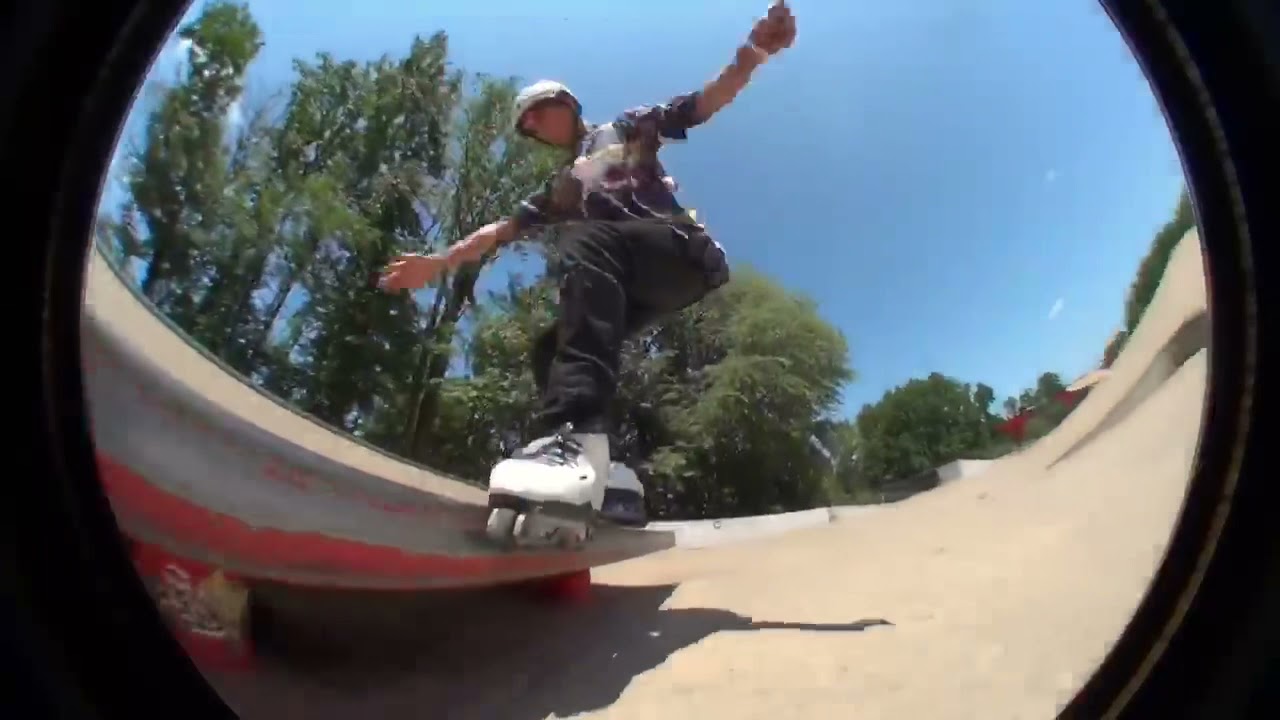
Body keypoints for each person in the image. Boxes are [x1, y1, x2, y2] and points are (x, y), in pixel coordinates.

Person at [378, 2, 797, 542]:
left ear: (567, 104)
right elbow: (499, 230)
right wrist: (439, 261)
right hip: (636, 282)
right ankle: (611, 477)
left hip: (677, 251)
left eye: (535, 114)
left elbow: (703, 102)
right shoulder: (563, 188)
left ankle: (573, 437)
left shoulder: (624, 128)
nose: (532, 128)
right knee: (552, 349)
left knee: (586, 237)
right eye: (526, 128)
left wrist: (755, 51)